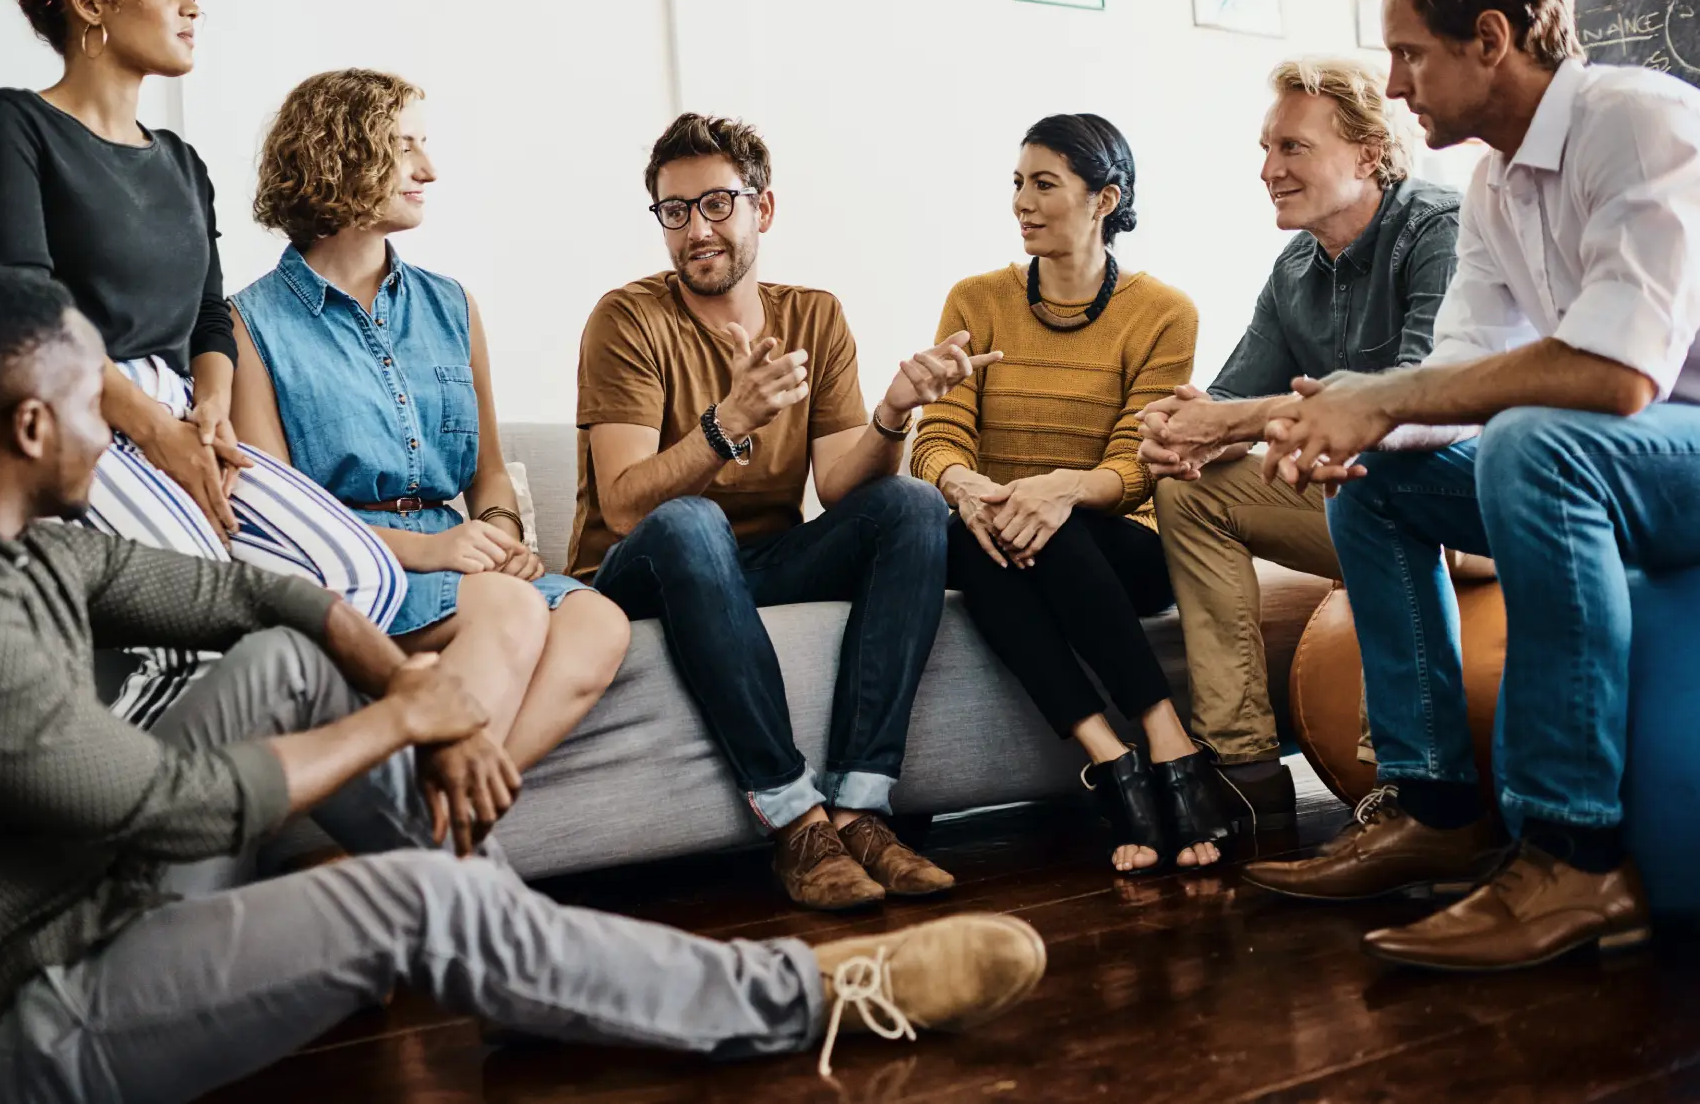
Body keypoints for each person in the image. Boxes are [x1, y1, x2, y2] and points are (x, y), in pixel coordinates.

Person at [0, 266, 1048, 1104]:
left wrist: (412, 693)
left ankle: (530, 966)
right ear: (26, 430)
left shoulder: (6, 537)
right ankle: (812, 993)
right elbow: (161, 808)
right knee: (408, 906)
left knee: (288, 660)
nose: (118, 434)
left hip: (78, 911)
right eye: (96, 411)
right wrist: (407, 714)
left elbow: (252, 594)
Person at [1242, 0, 1700, 971]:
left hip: (1684, 451)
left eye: (1410, 53)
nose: (1397, 85)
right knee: (1378, 478)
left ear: (1491, 38)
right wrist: (1350, 421)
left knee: (1536, 444)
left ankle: (1572, 850)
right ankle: (1439, 805)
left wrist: (1385, 396)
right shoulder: (1500, 181)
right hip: (1624, 462)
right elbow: (1450, 379)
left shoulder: (1641, 125)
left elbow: (1616, 373)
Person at [0, 0, 403, 726]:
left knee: (363, 577)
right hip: (75, 413)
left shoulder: (183, 165)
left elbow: (208, 318)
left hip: (180, 412)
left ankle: (253, 794)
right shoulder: (10, 127)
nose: (192, 3)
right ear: (88, 1)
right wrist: (157, 431)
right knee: (196, 627)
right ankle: (110, 809)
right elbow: (31, 319)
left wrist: (210, 412)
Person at [569, 113, 994, 911]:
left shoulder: (815, 317)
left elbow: (841, 485)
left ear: (763, 209)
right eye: (675, 210)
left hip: (755, 567)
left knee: (908, 503)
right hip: (639, 571)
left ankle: (861, 808)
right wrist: (728, 423)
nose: (697, 228)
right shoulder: (626, 320)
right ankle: (797, 822)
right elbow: (625, 504)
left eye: (717, 204)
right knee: (692, 522)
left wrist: (893, 415)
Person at [230, 69, 628, 776]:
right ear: (340, 155)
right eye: (404, 145)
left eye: (425, 144)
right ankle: (434, 845)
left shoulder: (452, 306)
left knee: (599, 620)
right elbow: (277, 518)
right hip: (351, 572)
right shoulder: (249, 323)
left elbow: (490, 472)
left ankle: (436, 831)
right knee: (510, 610)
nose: (429, 169)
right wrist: (430, 553)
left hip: (465, 561)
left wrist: (502, 535)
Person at [1137, 59, 1464, 819]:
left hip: (1452, 497)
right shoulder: (1295, 269)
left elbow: (1420, 395)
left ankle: (1404, 786)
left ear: (1368, 152)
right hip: (1353, 497)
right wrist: (1180, 429)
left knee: (1378, 470)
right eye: (1264, 149)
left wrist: (1235, 420)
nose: (1267, 171)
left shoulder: (1436, 227)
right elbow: (1228, 397)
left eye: (1291, 148)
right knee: (1187, 489)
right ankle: (1244, 774)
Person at [913, 113, 1225, 876]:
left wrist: (1062, 490)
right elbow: (937, 438)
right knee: (976, 534)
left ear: (1105, 198)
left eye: (1044, 183)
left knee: (1049, 528)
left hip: (1121, 540)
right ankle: (1120, 758)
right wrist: (967, 483)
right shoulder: (975, 299)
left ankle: (1161, 739)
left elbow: (1141, 460)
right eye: (1018, 183)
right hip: (1001, 535)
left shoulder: (1162, 311)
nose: (1022, 200)